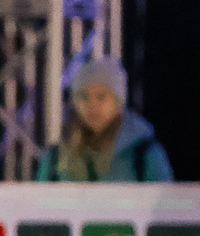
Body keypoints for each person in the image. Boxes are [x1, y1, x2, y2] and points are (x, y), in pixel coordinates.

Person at [33, 56, 172, 182]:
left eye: (101, 96)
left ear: (118, 103)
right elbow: (39, 206)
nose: (92, 105)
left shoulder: (144, 155)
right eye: (84, 96)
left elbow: (165, 206)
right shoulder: (55, 158)